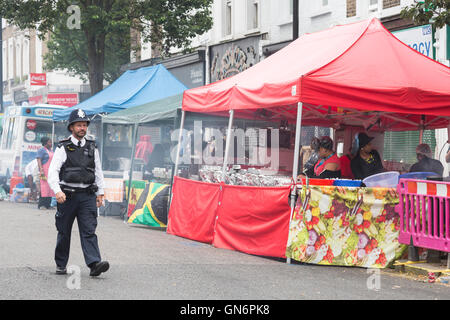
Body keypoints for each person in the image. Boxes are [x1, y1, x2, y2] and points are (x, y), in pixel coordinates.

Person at [48, 109, 109, 277]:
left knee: (89, 230)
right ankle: (61, 264)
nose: (82, 128)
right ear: (71, 127)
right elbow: (52, 171)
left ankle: (94, 264)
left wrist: (100, 193)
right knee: (64, 231)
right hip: (67, 196)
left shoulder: (92, 146)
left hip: (87, 195)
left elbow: (98, 171)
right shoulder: (63, 147)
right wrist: (57, 191)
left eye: (84, 125)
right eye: (79, 125)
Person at [37, 137, 55, 209]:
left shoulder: (50, 150)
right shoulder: (41, 150)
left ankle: (48, 205)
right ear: (45, 143)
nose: (51, 144)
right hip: (44, 171)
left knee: (50, 187)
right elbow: (39, 160)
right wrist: (41, 171)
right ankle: (42, 205)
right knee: (44, 187)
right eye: (49, 142)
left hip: (50, 172)